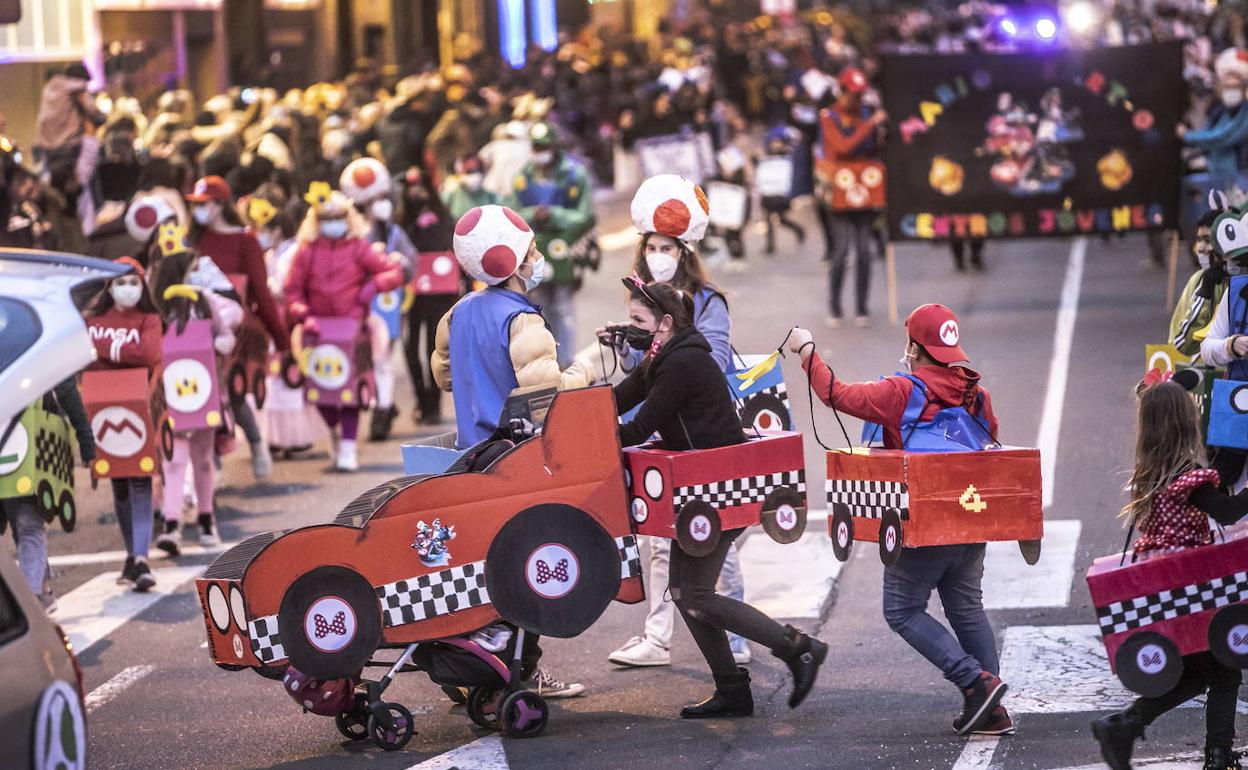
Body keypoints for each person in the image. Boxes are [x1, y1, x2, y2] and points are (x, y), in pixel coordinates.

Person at [788, 304, 1012, 736]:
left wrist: (806, 350)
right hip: (970, 517)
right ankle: (993, 710)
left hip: (921, 524)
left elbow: (836, 394)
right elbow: (991, 445)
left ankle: (975, 682)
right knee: (966, 608)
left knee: (902, 610)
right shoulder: (975, 393)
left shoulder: (901, 390)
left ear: (914, 346)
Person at [614, 277, 827, 718]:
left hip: (715, 490)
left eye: (638, 320)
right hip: (695, 490)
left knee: (696, 594)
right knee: (685, 591)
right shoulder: (661, 357)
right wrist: (572, 413)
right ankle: (732, 688)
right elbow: (618, 400)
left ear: (666, 323)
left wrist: (586, 440)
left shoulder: (682, 364)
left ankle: (797, 648)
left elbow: (637, 426)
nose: (631, 327)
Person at [431, 203, 594, 700]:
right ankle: (521, 671)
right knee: (531, 565)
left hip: (467, 459)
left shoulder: (457, 313)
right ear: (516, 262)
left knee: (484, 565)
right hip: (516, 460)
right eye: (532, 251)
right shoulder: (523, 322)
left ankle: (483, 665)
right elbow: (548, 399)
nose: (538, 258)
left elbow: (442, 376)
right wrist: (590, 367)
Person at [601, 174, 750, 667]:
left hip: (706, 436)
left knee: (716, 546)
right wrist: (630, 343)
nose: (658, 254)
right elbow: (635, 379)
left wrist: (664, 352)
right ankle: (658, 638)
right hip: (669, 437)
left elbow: (715, 360)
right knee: (659, 540)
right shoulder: (642, 299)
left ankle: (737, 635)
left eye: (668, 246)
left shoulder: (709, 300)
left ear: (685, 251)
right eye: (652, 246)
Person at [1091, 380, 1248, 770]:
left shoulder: (1156, 473)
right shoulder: (1188, 479)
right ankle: (1217, 756)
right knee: (1224, 672)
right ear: (1185, 421)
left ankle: (1124, 725)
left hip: (1164, 584)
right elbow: (1227, 512)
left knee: (1197, 674)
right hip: (1191, 586)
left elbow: (1220, 474)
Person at [284, 185, 403, 471]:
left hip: (352, 327)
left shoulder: (359, 248)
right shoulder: (306, 252)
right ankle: (336, 431)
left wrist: (371, 288)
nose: (333, 224)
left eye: (338, 217)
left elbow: (393, 272)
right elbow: (293, 290)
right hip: (318, 331)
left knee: (350, 390)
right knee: (320, 390)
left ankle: (349, 445)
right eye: (327, 218)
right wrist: (303, 314)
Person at [186, 175, 290, 480]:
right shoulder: (192, 241)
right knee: (203, 391)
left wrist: (281, 340)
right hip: (198, 326)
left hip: (236, 330)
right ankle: (212, 460)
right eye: (196, 204)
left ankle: (256, 442)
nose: (200, 211)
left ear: (220, 204)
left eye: (205, 204)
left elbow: (261, 292)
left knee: (230, 391)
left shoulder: (245, 241)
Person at [151, 234, 243, 547]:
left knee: (203, 457)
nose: (197, 274)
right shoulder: (157, 305)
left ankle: (206, 519)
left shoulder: (204, 301)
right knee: (174, 458)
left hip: (204, 388)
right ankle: (172, 522)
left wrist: (219, 343)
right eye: (191, 269)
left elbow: (227, 330)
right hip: (171, 391)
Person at [84, 258, 164, 587]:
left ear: (143, 285)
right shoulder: (93, 319)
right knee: (119, 485)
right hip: (102, 407)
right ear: (108, 286)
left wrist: (106, 348)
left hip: (139, 406)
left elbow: (148, 354)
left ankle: (143, 558)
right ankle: (132, 555)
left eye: (134, 282)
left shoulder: (149, 317)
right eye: (120, 282)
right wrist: (124, 348)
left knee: (141, 481)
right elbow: (83, 350)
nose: (127, 288)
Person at [505, 121, 596, 366]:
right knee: (537, 306)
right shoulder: (523, 176)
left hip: (564, 248)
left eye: (544, 146)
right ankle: (545, 361)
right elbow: (512, 212)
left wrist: (555, 214)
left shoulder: (574, 174)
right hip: (532, 249)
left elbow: (585, 214)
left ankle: (565, 361)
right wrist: (534, 213)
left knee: (563, 306)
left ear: (554, 146)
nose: (540, 151)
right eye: (535, 146)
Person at [0, 379, 94, 612]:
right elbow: (64, 387)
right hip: (30, 443)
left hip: (26, 441)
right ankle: (35, 595)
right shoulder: (31, 343)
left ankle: (36, 592)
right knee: (28, 525)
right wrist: (86, 440)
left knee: (26, 524)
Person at [339, 157, 415, 441]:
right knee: (365, 360)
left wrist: (400, 263)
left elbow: (411, 263)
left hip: (388, 306)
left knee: (382, 357)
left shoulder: (395, 232)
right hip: (358, 306)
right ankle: (380, 403)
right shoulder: (353, 236)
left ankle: (382, 411)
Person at [816, 67, 886, 327]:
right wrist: (870, 126)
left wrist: (879, 133)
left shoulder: (867, 114)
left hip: (865, 188)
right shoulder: (829, 116)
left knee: (865, 251)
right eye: (852, 94)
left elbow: (874, 149)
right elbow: (841, 147)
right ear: (842, 91)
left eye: (860, 95)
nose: (856, 100)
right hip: (840, 190)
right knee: (841, 250)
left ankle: (862, 307)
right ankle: (834, 306)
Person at [400, 166, 462, 427]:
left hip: (439, 296)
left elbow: (453, 247)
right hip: (412, 297)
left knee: (432, 349)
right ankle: (421, 400)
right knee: (410, 348)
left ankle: (433, 405)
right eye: (411, 187)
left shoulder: (444, 219)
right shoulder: (401, 223)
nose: (417, 193)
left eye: (421, 187)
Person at [1171, 210, 1224, 357]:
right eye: (1199, 240)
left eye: (1207, 240)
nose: (1199, 248)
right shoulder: (1199, 280)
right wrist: (1206, 292)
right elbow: (1182, 344)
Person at [758, 127, 806, 256]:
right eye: (773, 142)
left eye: (777, 142)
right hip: (768, 194)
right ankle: (770, 246)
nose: (775, 144)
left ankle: (799, 230)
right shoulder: (767, 156)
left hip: (781, 194)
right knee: (768, 220)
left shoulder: (788, 156)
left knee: (781, 219)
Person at [441, 154, 498, 221]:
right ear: (460, 172)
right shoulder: (450, 197)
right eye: (470, 171)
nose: (476, 175)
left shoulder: (492, 197)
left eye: (479, 170)